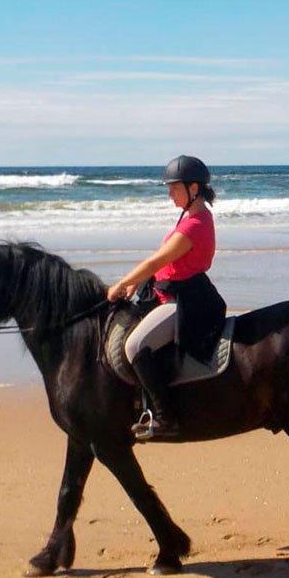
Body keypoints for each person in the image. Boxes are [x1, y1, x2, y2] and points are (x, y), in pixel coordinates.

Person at [106, 155, 227, 441]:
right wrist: (138, 286)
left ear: (193, 188)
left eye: (174, 189)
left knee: (135, 345)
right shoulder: (189, 215)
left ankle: (164, 418)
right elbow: (165, 264)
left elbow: (156, 260)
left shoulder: (195, 224)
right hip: (168, 291)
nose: (170, 195)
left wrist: (123, 283)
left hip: (186, 300)